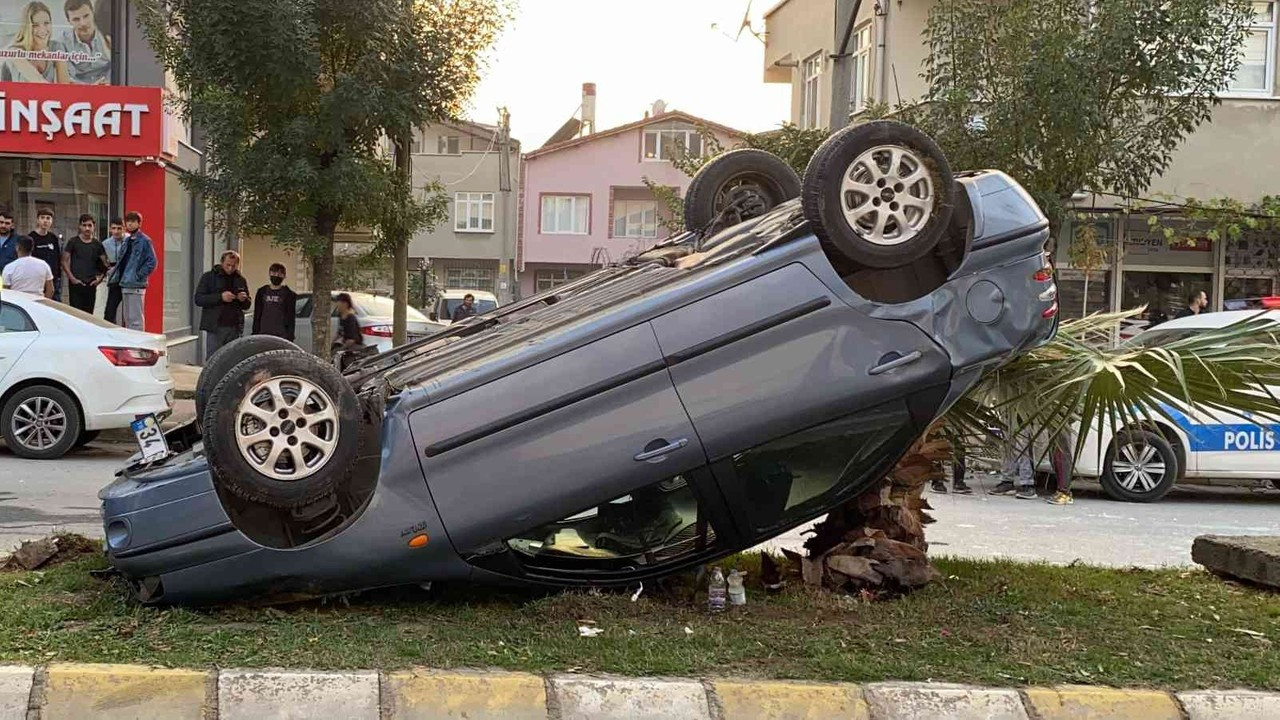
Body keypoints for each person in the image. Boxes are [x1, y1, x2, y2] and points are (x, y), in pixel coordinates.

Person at [194, 251, 251, 356]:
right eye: (228, 265)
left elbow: (247, 305)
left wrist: (244, 299)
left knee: (231, 358)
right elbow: (199, 299)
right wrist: (220, 297)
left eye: (233, 266)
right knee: (214, 358)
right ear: (221, 263)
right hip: (215, 326)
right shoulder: (209, 277)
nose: (230, 268)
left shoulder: (240, 279)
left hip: (234, 327)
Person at [108, 211, 157, 331]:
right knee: (128, 319)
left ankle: (138, 345)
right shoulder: (127, 240)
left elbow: (152, 262)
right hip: (124, 282)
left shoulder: (145, 241)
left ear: (139, 223)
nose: (130, 224)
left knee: (136, 320)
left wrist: (138, 275)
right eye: (128, 221)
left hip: (136, 284)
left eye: (133, 221)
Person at [1, 2, 71, 84]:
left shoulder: (56, 47)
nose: (42, 30)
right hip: (21, 96)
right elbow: (39, 82)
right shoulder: (15, 51)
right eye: (35, 25)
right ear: (27, 28)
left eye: (46, 23)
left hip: (48, 96)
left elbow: (65, 86)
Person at [61, 214, 108, 313]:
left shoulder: (98, 245)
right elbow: (64, 261)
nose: (87, 228)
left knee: (88, 315)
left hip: (91, 284)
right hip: (76, 284)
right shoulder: (73, 242)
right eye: (84, 225)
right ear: (80, 226)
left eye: (89, 225)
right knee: (75, 314)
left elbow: (105, 264)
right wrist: (72, 278)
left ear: (94, 226)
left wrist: (99, 279)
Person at [60, 0, 110, 85]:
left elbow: (117, 65)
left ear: (93, 13)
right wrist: (90, 88)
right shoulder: (63, 42)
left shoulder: (107, 34)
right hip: (80, 91)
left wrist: (109, 82)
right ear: (69, 21)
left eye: (86, 16)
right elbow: (67, 77)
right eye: (76, 19)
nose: (83, 23)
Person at [252, 263, 297, 341]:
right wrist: (255, 333)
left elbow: (291, 317)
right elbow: (257, 314)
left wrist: (290, 336)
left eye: (280, 274)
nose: (277, 275)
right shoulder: (262, 292)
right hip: (263, 333)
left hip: (281, 335)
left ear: (284, 276)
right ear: (269, 273)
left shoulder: (289, 294)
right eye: (274, 272)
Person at [27, 208, 63, 302]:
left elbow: (57, 258)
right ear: (38, 220)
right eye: (42, 218)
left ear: (51, 221)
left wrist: (58, 276)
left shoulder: (53, 238)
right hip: (36, 279)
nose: (45, 221)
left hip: (52, 279)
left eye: (48, 218)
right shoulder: (31, 238)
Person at [98, 217, 124, 319]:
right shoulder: (105, 244)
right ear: (110, 229)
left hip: (128, 280)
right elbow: (102, 261)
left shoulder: (129, 240)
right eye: (114, 228)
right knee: (109, 311)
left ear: (124, 229)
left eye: (119, 228)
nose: (116, 231)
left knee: (129, 312)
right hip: (114, 279)